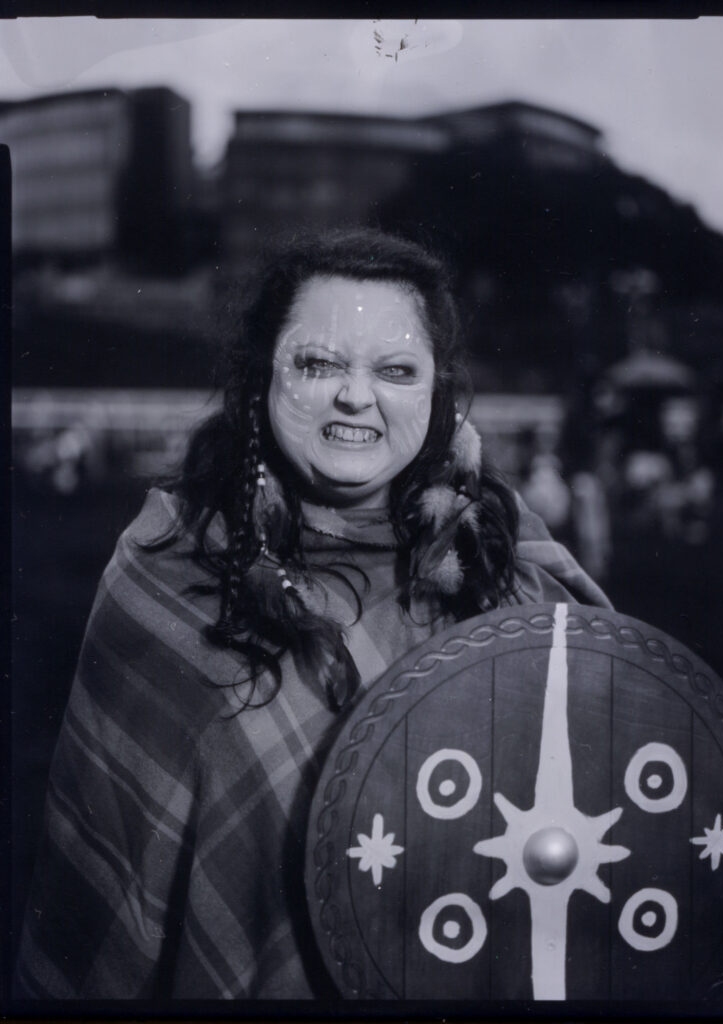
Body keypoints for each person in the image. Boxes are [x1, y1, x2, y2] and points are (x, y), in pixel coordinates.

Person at [16, 229, 610, 1000]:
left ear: (436, 392)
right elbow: (105, 891)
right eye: (319, 363)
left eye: (396, 369)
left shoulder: (509, 564)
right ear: (261, 377)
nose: (356, 397)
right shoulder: (165, 573)